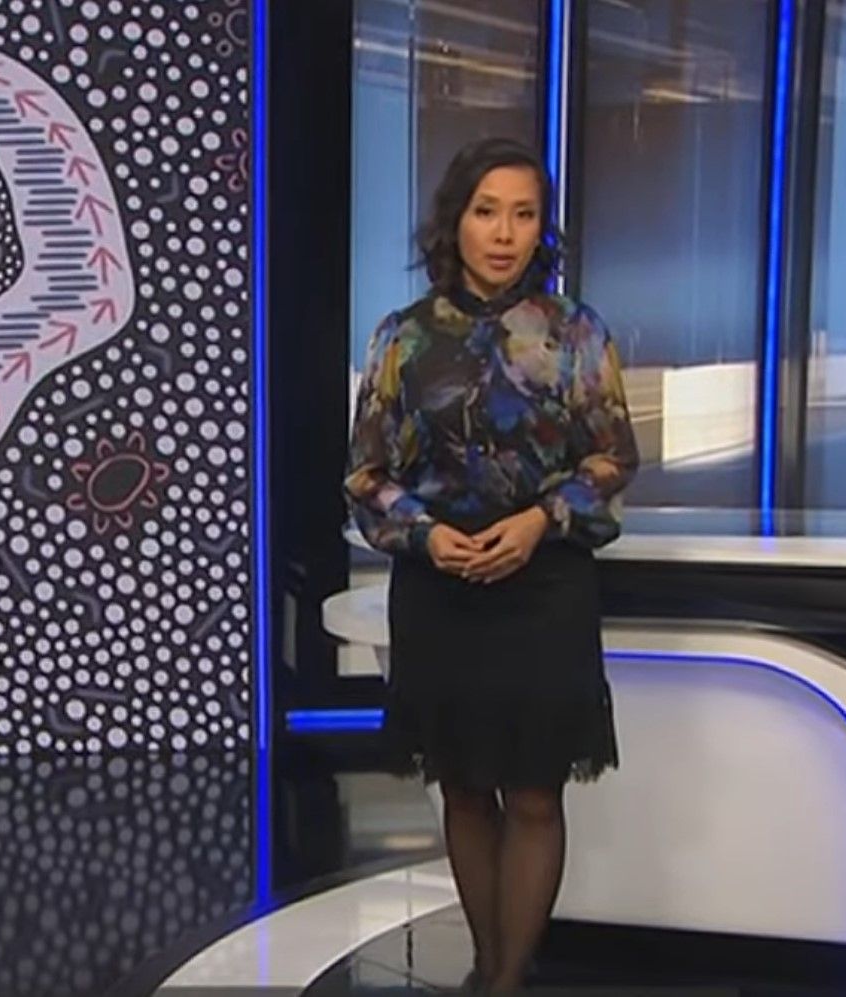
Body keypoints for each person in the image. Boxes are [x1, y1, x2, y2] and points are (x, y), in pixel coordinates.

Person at [344, 137, 638, 994]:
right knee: (467, 789)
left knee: (537, 793)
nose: (504, 233)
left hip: (544, 582)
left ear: (542, 227)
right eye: (486, 212)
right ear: (456, 222)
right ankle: (487, 963)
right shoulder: (402, 338)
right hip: (440, 585)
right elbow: (366, 474)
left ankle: (507, 981)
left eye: (523, 214)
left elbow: (614, 457)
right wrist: (426, 535)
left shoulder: (576, 332)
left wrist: (541, 520)